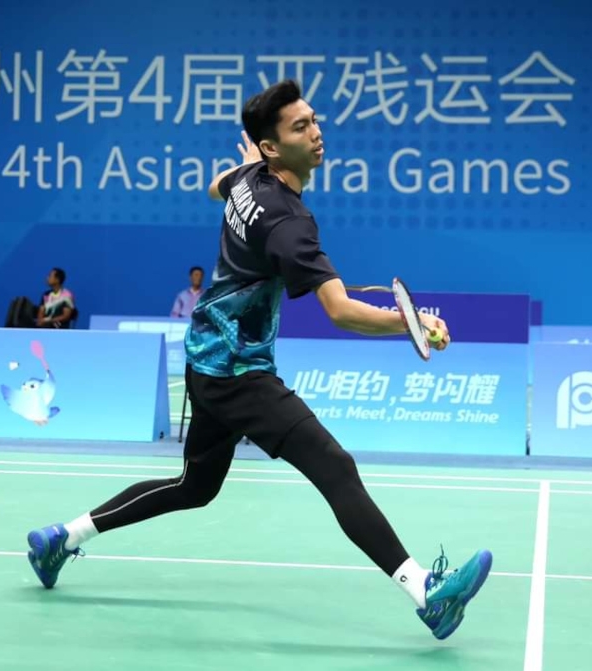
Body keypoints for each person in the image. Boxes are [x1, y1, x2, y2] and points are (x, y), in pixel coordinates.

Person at [25, 80, 492, 641]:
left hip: (206, 361)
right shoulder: (289, 223)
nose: (316, 132)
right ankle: (426, 594)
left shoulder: (250, 178)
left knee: (194, 487)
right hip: (241, 375)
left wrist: (246, 166)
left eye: (314, 119)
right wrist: (409, 322)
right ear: (272, 147)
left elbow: (213, 184)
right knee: (334, 466)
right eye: (300, 127)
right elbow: (339, 311)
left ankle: (62, 537)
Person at [4, 268, 76, 329]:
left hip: (58, 327)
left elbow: (66, 316)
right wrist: (40, 322)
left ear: (57, 280)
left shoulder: (67, 295)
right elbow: (41, 311)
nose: (47, 278)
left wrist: (48, 321)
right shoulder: (46, 294)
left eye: (50, 276)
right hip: (45, 326)